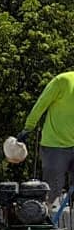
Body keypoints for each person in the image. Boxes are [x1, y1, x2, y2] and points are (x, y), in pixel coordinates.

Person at [22, 69, 74, 203]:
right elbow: (41, 104)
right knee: (53, 192)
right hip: (55, 146)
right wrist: (28, 127)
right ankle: (49, 219)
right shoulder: (62, 81)